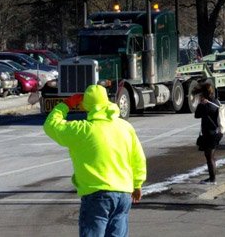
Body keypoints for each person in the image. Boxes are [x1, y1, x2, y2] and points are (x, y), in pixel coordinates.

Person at [43, 84, 147, 237]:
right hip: (124, 193)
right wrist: (137, 183)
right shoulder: (125, 127)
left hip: (97, 193)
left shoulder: (83, 129)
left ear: (87, 106)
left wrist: (66, 104)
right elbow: (138, 157)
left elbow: (51, 125)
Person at [193, 82, 223, 185]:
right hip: (217, 132)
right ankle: (212, 178)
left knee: (209, 157)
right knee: (211, 156)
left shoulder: (206, 105)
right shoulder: (216, 102)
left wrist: (201, 104)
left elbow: (196, 115)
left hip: (209, 133)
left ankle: (212, 179)